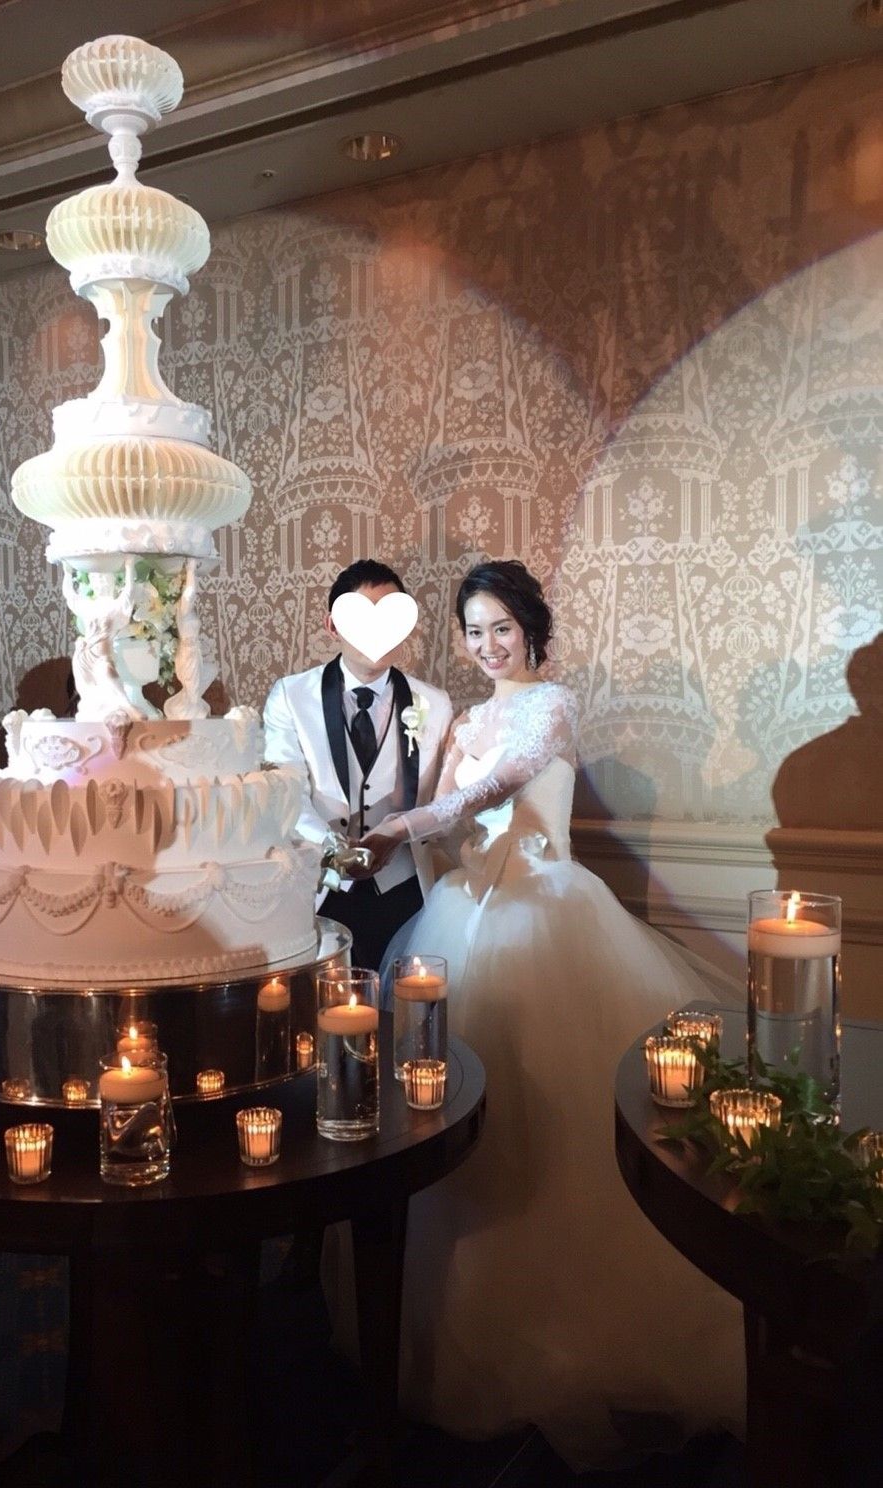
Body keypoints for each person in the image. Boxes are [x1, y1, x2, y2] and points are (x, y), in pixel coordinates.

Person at [355, 560, 744, 1467]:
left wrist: (409, 825)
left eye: (502, 627)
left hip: (548, 914)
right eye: (474, 631)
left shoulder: (553, 706)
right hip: (463, 917)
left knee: (556, 1114)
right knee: (456, 1117)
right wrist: (395, 839)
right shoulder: (463, 720)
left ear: (532, 629)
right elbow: (446, 816)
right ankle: (459, 1319)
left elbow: (499, 788)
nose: (488, 645)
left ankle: (581, 1328)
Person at [263, 560, 452, 971]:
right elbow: (286, 789)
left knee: (404, 1005)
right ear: (332, 625)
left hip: (406, 891)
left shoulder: (435, 704)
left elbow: (443, 803)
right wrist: (335, 850)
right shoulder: (291, 696)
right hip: (321, 890)